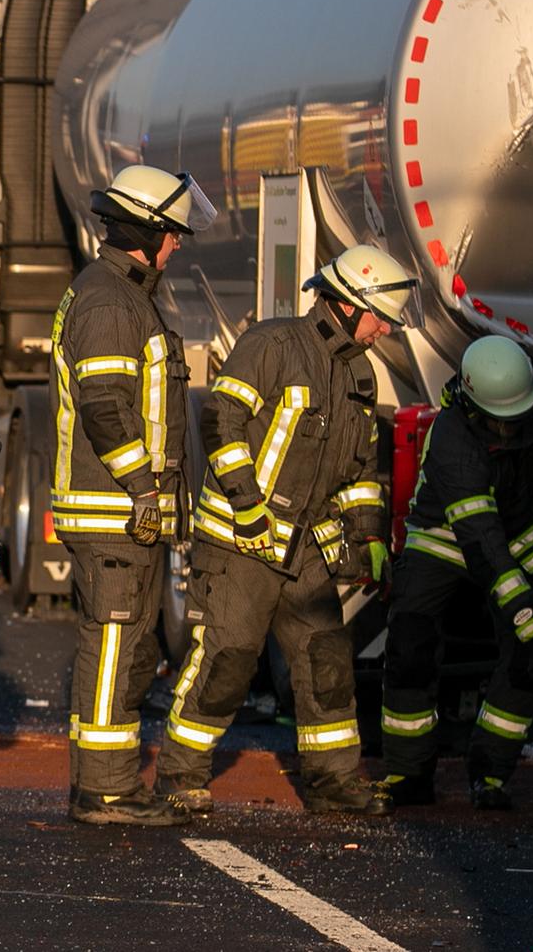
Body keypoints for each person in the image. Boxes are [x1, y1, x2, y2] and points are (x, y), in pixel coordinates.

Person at [154, 243, 409, 820]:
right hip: (243, 539)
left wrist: (369, 536)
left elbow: (360, 471)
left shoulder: (360, 374)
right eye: (381, 318)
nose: (386, 330)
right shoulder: (271, 345)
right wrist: (247, 505)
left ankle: (333, 782)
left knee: (327, 661)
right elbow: (220, 420)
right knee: (228, 661)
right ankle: (180, 775)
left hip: (307, 546)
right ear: (349, 305)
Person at [45, 164, 200, 826]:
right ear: (145, 232)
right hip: (114, 510)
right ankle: (105, 789)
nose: (178, 244)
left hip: (122, 511)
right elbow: (105, 405)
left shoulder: (121, 294)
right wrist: (142, 488)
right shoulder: (111, 301)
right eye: (173, 233)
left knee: (127, 645)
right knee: (114, 644)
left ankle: (105, 781)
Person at [380, 337, 533, 809]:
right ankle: (409, 774)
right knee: (410, 644)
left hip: (520, 531)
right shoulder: (452, 439)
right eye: (498, 422)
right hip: (446, 536)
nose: (508, 431)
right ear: (472, 406)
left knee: (528, 657)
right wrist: (525, 612)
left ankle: (490, 775)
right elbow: (481, 542)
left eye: (516, 419)